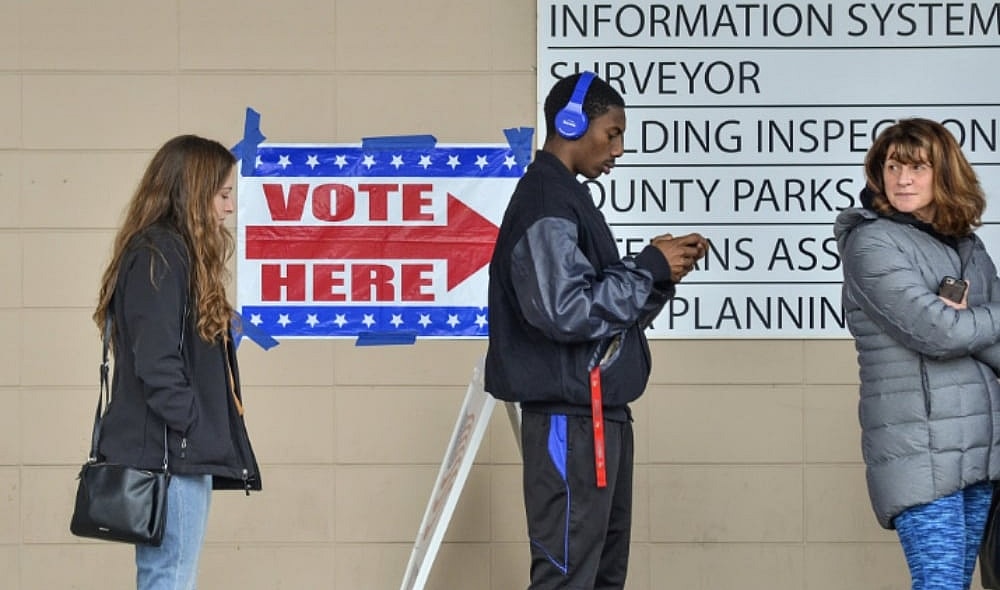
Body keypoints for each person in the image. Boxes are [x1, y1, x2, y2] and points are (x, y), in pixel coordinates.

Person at [485, 71, 708, 589]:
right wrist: (647, 267)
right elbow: (566, 310)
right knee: (567, 578)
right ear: (570, 123)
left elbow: (600, 323)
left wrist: (659, 277)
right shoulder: (545, 200)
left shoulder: (568, 198)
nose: (620, 149)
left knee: (602, 577)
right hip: (570, 422)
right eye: (613, 133)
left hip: (598, 418)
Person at [834, 117, 1000, 590]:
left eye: (918, 168)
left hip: (981, 448)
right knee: (940, 583)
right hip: (920, 448)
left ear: (944, 173)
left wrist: (970, 322)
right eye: (893, 167)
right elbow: (938, 333)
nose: (903, 180)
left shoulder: (968, 245)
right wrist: (974, 320)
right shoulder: (871, 242)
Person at [93, 134, 262, 590]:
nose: (229, 208)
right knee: (168, 579)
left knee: (167, 577)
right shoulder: (160, 254)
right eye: (223, 194)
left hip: (176, 452)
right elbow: (156, 360)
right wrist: (191, 426)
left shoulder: (170, 254)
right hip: (172, 456)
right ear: (193, 190)